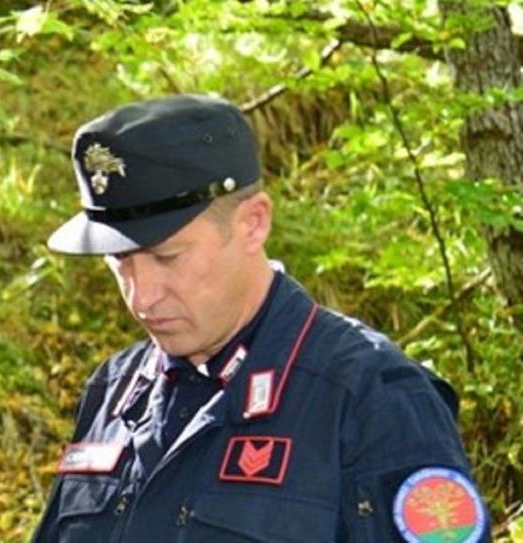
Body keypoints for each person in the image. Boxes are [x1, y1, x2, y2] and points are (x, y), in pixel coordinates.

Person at [31, 94, 488, 542]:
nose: (141, 296)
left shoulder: (372, 397)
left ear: (252, 223)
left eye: (166, 257)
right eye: (120, 262)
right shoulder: (113, 389)